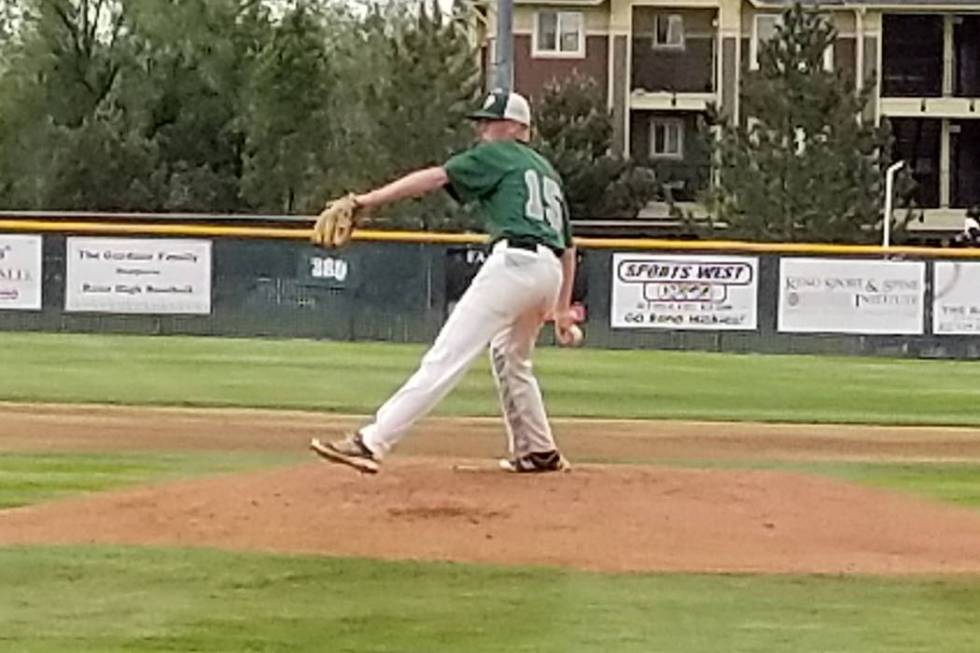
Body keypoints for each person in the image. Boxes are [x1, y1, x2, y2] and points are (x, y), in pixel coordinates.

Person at [309, 90, 578, 474]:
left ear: (519, 128)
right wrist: (563, 309)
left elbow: (435, 177)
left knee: (447, 354)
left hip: (515, 263)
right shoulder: (547, 172)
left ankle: (372, 442)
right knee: (511, 357)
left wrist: (365, 200)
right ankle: (538, 450)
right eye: (481, 122)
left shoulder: (499, 153)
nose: (483, 129)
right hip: (547, 272)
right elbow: (568, 248)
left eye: (491, 121)